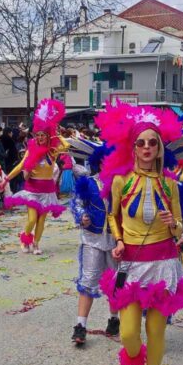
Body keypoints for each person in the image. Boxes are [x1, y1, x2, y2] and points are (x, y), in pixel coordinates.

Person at [95, 102, 183, 365]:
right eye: (141, 143)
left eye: (153, 142)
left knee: (155, 330)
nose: (147, 147)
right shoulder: (122, 182)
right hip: (133, 265)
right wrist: (119, 240)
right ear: (133, 148)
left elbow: (181, 230)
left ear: (160, 147)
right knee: (127, 333)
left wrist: (173, 224)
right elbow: (113, 216)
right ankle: (131, 361)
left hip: (163, 263)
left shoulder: (170, 184)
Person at [66, 140, 119, 345]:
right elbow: (76, 203)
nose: (108, 163)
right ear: (100, 161)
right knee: (88, 280)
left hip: (117, 240)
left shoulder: (124, 183)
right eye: (105, 160)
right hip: (93, 239)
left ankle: (114, 320)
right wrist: (82, 217)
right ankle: (80, 326)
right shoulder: (88, 183)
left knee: (115, 282)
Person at [1, 99, 68, 255]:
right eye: (37, 135)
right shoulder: (31, 151)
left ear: (48, 135)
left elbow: (65, 146)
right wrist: (6, 179)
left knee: (41, 220)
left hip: (47, 190)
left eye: (42, 135)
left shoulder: (53, 151)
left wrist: (56, 133)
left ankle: (36, 244)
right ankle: (25, 238)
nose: (39, 138)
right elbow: (20, 167)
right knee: (32, 219)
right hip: (32, 189)